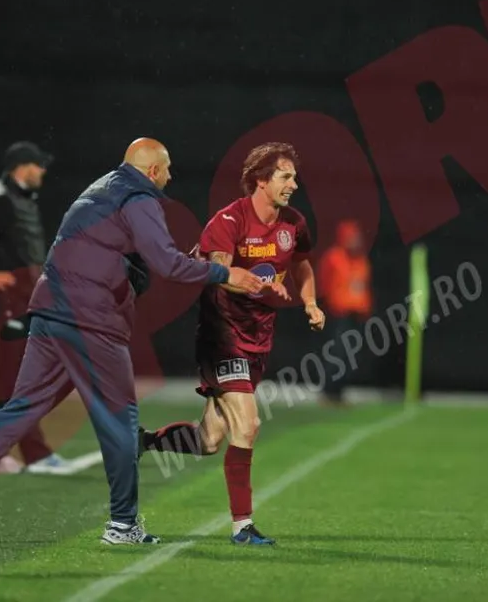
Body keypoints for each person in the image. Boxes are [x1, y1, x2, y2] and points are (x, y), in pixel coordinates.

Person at [0, 138, 269, 546]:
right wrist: (225, 274)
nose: (170, 176)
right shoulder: (140, 198)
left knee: (23, 406)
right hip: (90, 319)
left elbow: (116, 253)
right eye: (166, 168)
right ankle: (123, 524)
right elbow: (166, 263)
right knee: (120, 422)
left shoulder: (101, 187)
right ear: (151, 171)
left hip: (51, 310)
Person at [139, 142, 326, 545]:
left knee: (209, 440)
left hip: (258, 338)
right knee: (249, 424)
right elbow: (219, 273)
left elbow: (302, 263)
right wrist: (255, 282)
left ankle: (143, 441)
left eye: (294, 176)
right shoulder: (228, 220)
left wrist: (310, 302)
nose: (294, 184)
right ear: (261, 180)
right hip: (222, 335)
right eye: (285, 176)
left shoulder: (293, 224)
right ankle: (243, 527)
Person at [0, 141, 73, 475]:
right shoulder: (1, 201)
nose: (43, 171)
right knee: (4, 375)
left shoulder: (18, 199)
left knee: (20, 376)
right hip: (4, 303)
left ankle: (31, 453)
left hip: (23, 301)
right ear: (22, 166)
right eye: (38, 164)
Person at [316, 219, 372, 405]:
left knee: (350, 355)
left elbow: (363, 287)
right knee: (338, 352)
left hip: (356, 315)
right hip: (339, 314)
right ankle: (329, 391)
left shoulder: (361, 260)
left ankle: (339, 392)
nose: (355, 241)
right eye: (351, 237)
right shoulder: (334, 258)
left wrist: (365, 308)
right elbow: (324, 283)